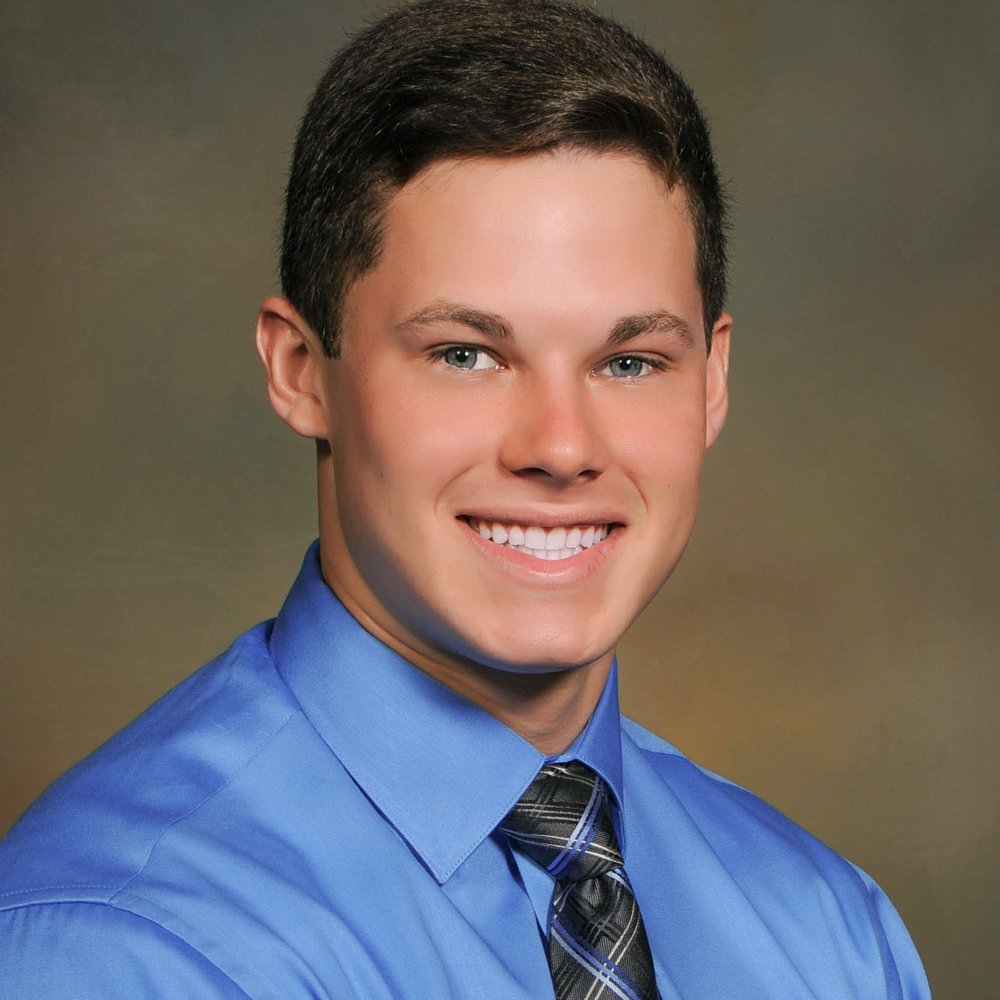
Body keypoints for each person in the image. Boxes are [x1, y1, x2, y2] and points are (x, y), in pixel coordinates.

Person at [0, 1, 930, 997]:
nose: (562, 448)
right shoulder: (124, 947)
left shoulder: (829, 933)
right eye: (465, 354)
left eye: (628, 361)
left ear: (711, 381)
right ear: (301, 370)